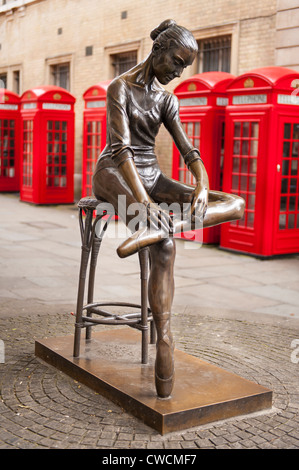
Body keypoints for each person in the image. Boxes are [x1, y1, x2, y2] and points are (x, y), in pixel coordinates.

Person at [92, 19, 245, 399]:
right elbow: (122, 150)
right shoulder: (120, 88)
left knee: (235, 203)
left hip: (152, 175)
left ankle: (159, 227)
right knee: (166, 248)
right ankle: (165, 336)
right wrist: (143, 203)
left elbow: (187, 149)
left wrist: (202, 184)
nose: (178, 74)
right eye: (176, 63)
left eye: (184, 67)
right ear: (158, 50)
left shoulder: (166, 99)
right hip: (115, 173)